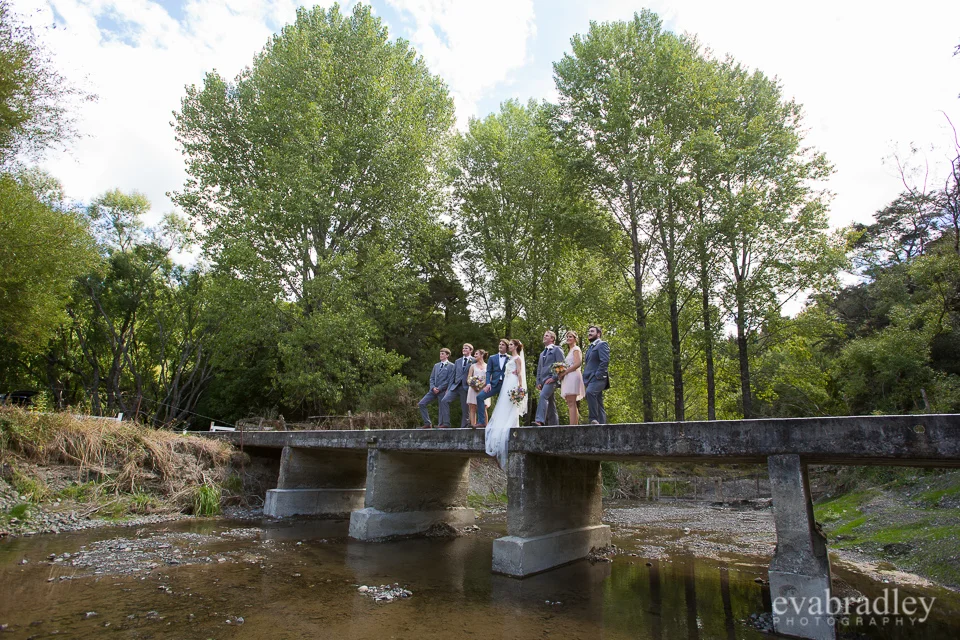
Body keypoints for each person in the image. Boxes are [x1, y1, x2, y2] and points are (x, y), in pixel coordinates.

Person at [485, 339, 527, 468]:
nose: (509, 346)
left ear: (516, 346)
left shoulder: (518, 358)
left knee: (511, 404)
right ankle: (503, 424)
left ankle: (512, 425)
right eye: (508, 345)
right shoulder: (510, 358)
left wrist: (520, 388)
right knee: (503, 404)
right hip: (507, 382)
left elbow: (520, 373)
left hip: (513, 382)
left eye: (510, 345)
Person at [475, 339, 509, 428]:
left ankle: (505, 423)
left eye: (503, 344)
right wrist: (488, 383)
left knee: (506, 403)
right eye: (500, 344)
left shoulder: (510, 358)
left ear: (507, 347)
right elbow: (488, 372)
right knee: (480, 397)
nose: (500, 346)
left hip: (506, 385)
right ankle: (481, 422)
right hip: (494, 384)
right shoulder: (492, 358)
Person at [534, 330, 565, 426]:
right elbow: (539, 368)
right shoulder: (542, 353)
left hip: (551, 380)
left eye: (546, 336)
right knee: (551, 404)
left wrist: (554, 378)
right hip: (543, 381)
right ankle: (554, 425)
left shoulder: (557, 349)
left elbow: (562, 365)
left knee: (543, 396)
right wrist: (538, 382)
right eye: (544, 335)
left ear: (552, 339)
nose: (544, 337)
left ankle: (539, 420)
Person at [439, 343, 474, 428]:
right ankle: (446, 423)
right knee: (444, 400)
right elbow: (452, 375)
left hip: (466, 387)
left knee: (465, 408)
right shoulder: (457, 361)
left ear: (470, 350)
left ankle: (464, 427)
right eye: (463, 348)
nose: (464, 349)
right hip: (455, 386)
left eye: (466, 348)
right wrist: (449, 388)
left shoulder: (474, 360)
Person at [418, 348, 454, 428]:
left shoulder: (451, 366)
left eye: (443, 354)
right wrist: (433, 387)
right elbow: (431, 378)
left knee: (442, 407)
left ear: (447, 355)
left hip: (443, 390)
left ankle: (444, 424)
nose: (440, 355)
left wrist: (440, 388)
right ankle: (427, 423)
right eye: (440, 353)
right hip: (433, 389)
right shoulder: (436, 365)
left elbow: (449, 380)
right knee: (421, 403)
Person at [581, 325, 610, 424]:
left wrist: (598, 375)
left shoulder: (602, 344)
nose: (589, 333)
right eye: (589, 331)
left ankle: (593, 418)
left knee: (590, 393)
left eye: (592, 331)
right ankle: (602, 425)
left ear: (598, 334)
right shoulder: (590, 348)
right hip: (589, 379)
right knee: (598, 402)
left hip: (598, 378)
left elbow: (605, 361)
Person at [558, 330, 586, 425]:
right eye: (567, 337)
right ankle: (573, 424)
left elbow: (578, 363)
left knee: (572, 402)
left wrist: (565, 372)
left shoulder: (576, 349)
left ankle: (573, 425)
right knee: (570, 402)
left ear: (575, 339)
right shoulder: (570, 351)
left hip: (573, 376)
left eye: (570, 337)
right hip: (568, 376)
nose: (568, 338)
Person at [466, 349, 490, 427]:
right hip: (473, 389)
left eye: (476, 354)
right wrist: (474, 385)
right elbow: (469, 378)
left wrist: (481, 385)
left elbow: (489, 378)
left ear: (482, 355)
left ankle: (486, 426)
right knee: (472, 407)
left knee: (483, 407)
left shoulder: (487, 366)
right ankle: (473, 425)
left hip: (484, 389)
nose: (474, 355)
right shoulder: (472, 366)